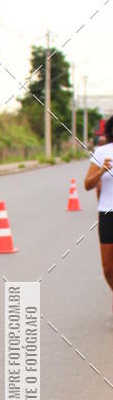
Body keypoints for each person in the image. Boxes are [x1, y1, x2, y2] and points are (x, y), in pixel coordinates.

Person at [85, 115, 113, 305]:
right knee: (108, 268)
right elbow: (87, 184)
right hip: (107, 213)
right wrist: (101, 171)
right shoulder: (102, 152)